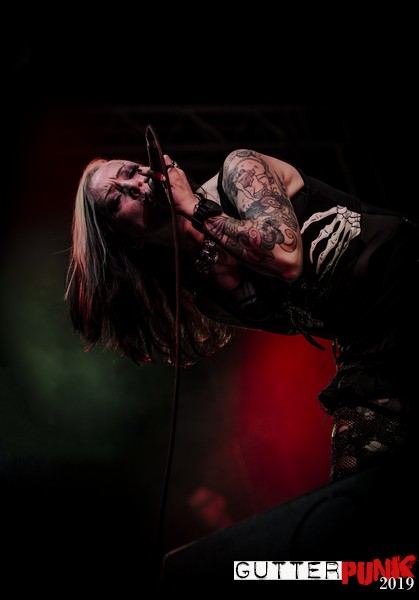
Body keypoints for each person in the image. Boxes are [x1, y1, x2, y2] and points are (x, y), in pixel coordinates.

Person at [65, 145, 418, 482]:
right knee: (353, 481)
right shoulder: (208, 295)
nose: (132, 185)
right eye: (116, 200)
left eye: (130, 171)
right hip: (370, 344)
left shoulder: (239, 171)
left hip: (404, 275)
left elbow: (285, 257)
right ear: (129, 238)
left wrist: (194, 208)